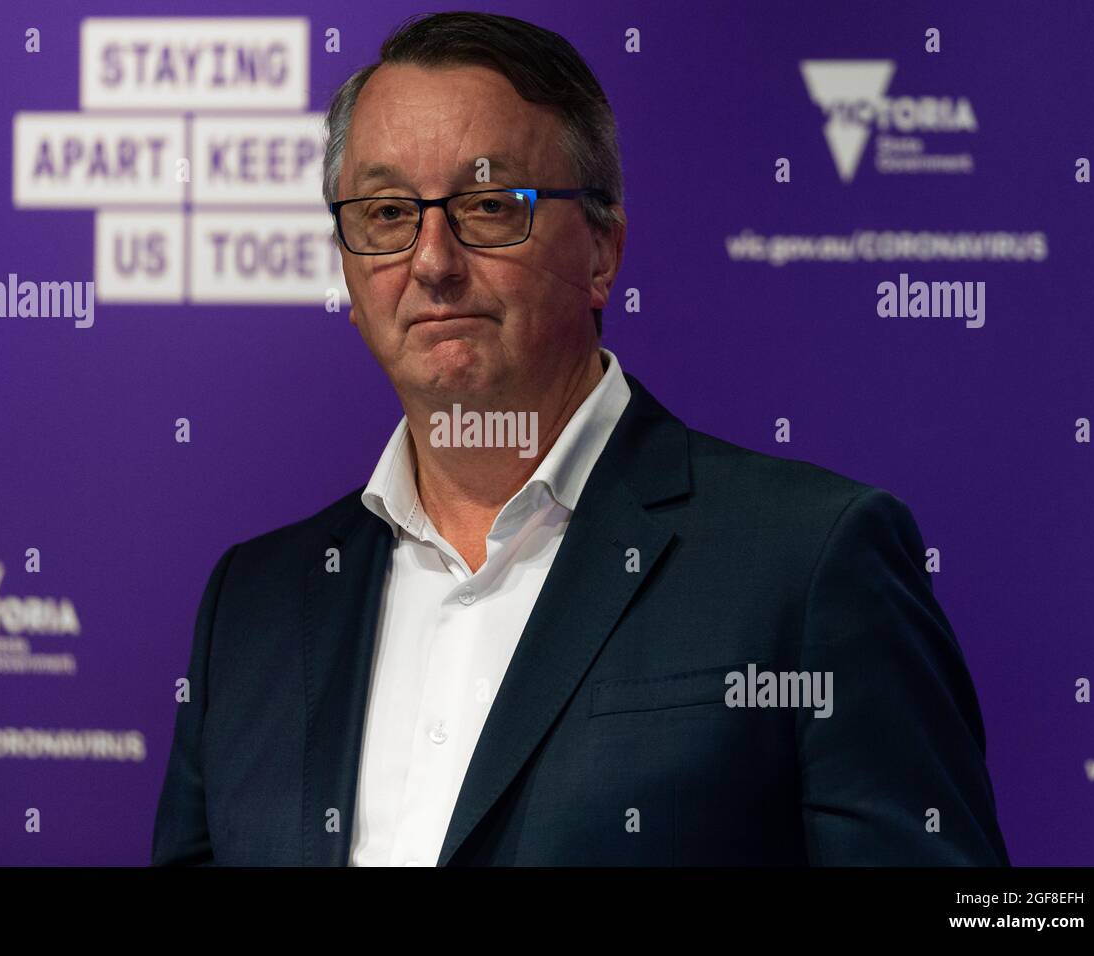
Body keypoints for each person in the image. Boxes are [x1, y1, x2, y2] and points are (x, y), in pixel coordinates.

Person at [152, 11, 1009, 866]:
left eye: (488, 206)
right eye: (386, 213)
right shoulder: (253, 606)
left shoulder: (809, 561)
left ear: (602, 248)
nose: (432, 261)